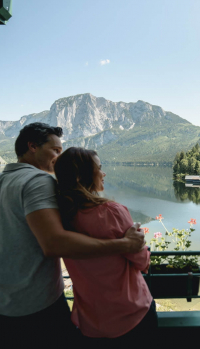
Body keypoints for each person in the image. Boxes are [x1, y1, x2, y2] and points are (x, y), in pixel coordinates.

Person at [0, 123, 145, 348]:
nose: (59, 158)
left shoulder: (4, 180)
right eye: (56, 151)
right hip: (38, 303)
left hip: (7, 303)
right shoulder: (38, 181)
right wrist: (124, 244)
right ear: (32, 147)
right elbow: (54, 243)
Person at [54, 147, 157, 347]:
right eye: (99, 168)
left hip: (92, 322)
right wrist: (139, 243)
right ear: (80, 177)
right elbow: (142, 262)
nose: (104, 173)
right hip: (132, 313)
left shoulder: (61, 216)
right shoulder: (112, 212)